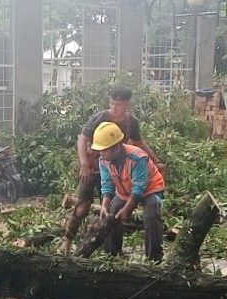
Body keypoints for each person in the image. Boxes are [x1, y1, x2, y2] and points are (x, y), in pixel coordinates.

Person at [59, 85, 166, 254]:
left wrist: (156, 161)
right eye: (112, 103)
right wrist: (85, 164)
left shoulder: (132, 127)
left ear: (127, 105)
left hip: (120, 170)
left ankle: (133, 253)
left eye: (118, 104)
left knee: (117, 212)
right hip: (95, 168)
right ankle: (67, 241)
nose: (114, 108)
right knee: (83, 206)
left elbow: (139, 145)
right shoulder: (100, 120)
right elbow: (82, 139)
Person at [92, 122, 165, 261]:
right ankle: (112, 255)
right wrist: (105, 205)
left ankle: (154, 258)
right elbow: (107, 185)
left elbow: (138, 189)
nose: (101, 153)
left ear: (116, 147)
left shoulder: (138, 157)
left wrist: (127, 210)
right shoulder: (103, 160)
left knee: (151, 214)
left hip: (150, 189)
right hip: (124, 191)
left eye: (104, 150)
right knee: (111, 215)